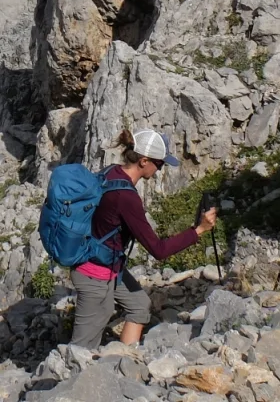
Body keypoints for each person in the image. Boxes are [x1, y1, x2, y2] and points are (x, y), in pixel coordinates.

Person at [70, 128, 217, 350]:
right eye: (159, 164)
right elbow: (158, 250)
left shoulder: (112, 172)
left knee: (139, 305)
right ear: (144, 161)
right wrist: (198, 231)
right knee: (81, 348)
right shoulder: (126, 197)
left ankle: (123, 362)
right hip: (95, 275)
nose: (159, 170)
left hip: (106, 264)